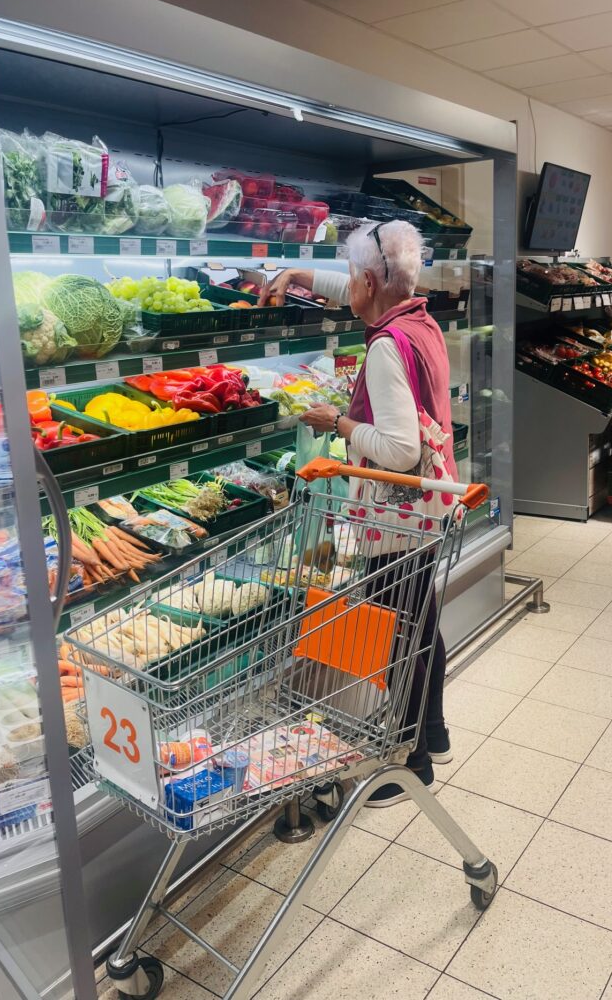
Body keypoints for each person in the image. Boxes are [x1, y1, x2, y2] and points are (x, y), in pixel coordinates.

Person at [260, 220, 457, 807]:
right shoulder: (419, 321)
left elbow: (398, 449)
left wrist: (338, 423)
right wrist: (299, 275)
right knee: (419, 623)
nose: (347, 286)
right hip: (426, 509)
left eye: (351, 277)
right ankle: (433, 733)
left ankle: (409, 762)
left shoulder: (384, 347)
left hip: (395, 516)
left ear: (370, 282)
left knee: (399, 636)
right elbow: (361, 289)